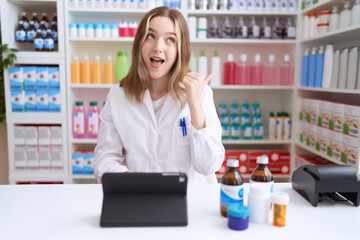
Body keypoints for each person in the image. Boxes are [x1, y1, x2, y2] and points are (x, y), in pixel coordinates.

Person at [94, 6, 225, 183]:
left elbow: (209, 165)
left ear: (180, 49)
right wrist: (136, 182)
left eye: (170, 39)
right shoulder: (118, 96)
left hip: (190, 201)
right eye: (151, 36)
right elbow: (104, 160)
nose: (158, 47)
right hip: (139, 198)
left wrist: (194, 106)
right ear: (139, 42)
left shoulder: (200, 94)